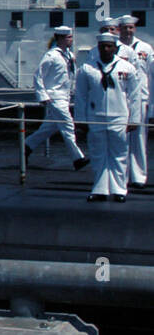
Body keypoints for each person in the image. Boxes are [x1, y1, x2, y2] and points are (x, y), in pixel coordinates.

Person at [74, 32, 141, 202]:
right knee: (98, 154)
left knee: (119, 155)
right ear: (98, 47)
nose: (105, 49)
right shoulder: (88, 68)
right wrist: (81, 119)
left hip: (119, 117)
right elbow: (80, 95)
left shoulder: (126, 68)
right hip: (96, 117)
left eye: (109, 46)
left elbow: (135, 96)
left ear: (115, 48)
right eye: (102, 46)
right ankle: (100, 189)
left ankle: (119, 190)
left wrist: (134, 119)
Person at [24, 25, 89, 171]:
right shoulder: (51, 56)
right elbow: (38, 75)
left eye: (71, 37)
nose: (71, 40)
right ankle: (78, 158)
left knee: (49, 128)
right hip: (54, 97)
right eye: (68, 37)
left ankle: (26, 146)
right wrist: (42, 95)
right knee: (68, 126)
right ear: (60, 38)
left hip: (65, 97)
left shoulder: (69, 56)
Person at [117, 15, 152, 189]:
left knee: (139, 138)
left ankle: (138, 177)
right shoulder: (114, 48)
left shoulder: (146, 48)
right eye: (125, 28)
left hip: (141, 99)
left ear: (135, 29)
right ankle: (121, 176)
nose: (128, 31)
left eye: (131, 27)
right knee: (120, 139)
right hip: (120, 99)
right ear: (119, 29)